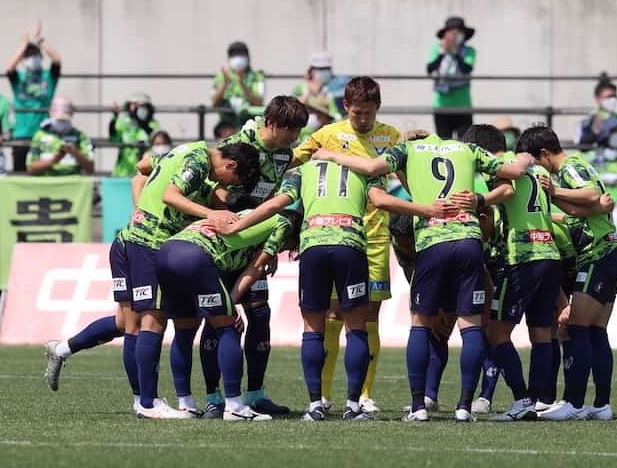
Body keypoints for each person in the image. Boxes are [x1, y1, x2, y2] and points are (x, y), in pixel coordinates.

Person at [312, 132, 534, 423]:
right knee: (472, 325)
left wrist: (330, 155)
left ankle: (419, 407)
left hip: (432, 239)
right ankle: (465, 407)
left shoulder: (409, 149)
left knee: (420, 323)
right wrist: (527, 157)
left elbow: (370, 168)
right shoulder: (468, 148)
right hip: (469, 239)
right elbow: (515, 174)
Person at [42, 140, 259, 415]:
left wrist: (142, 209)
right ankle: (148, 402)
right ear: (231, 165)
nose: (224, 188)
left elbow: (141, 170)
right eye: (231, 181)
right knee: (151, 321)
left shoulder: (185, 153)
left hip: (132, 238)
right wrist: (210, 213)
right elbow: (170, 195)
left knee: (126, 323)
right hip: (148, 242)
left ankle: (63, 350)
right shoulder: (199, 160)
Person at [462, 125, 599, 424]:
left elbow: (508, 189)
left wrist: (480, 200)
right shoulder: (538, 171)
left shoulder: (502, 168)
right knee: (541, 335)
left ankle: (522, 400)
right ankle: (536, 401)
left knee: (496, 333)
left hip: (522, 257)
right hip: (550, 255)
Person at [287, 76, 401, 416]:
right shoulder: (327, 135)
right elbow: (293, 160)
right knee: (332, 314)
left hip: (376, 236)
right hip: (337, 231)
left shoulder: (391, 136)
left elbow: (407, 174)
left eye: (368, 113)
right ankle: (322, 393)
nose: (363, 119)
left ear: (377, 109)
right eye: (356, 113)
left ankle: (363, 394)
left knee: (367, 318)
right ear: (345, 108)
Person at [518, 126, 617, 422]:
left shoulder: (570, 167)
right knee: (594, 331)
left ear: (543, 154)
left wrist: (553, 191)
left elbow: (591, 194)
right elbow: (580, 210)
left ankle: (574, 403)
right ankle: (601, 405)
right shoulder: (574, 168)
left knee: (576, 328)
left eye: (536, 163)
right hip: (609, 254)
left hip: (598, 255)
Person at [215, 95, 309, 416]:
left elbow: (276, 201)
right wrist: (221, 215)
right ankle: (215, 397)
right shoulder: (237, 144)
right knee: (219, 316)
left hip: (255, 243)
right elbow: (213, 183)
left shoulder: (285, 155)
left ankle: (255, 393)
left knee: (259, 314)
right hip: (224, 242)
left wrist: (268, 246)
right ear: (271, 123)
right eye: (290, 131)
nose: (294, 138)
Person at [157, 208, 296, 422]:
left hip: (167, 252)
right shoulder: (282, 223)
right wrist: (229, 304)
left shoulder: (247, 212)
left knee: (184, 330)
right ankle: (234, 406)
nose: (285, 249)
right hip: (198, 256)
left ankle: (186, 405)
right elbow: (257, 266)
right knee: (227, 326)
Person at [5, 24, 61, 173]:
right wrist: (23, 44)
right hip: (21, 134)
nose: (32, 58)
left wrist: (39, 41)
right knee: (20, 174)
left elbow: (57, 60)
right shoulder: (20, 77)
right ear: (23, 59)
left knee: (41, 173)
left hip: (43, 134)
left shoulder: (47, 77)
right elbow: (9, 68)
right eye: (28, 55)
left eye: (35, 55)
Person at [427, 16, 477, 139]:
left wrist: (456, 53)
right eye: (451, 32)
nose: (454, 36)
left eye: (458, 32)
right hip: (441, 105)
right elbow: (430, 68)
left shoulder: (469, 51)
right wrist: (443, 53)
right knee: (444, 141)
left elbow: (467, 69)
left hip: (463, 105)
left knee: (465, 141)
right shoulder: (436, 49)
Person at [26, 97, 95, 176]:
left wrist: (75, 152)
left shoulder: (80, 136)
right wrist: (54, 160)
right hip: (47, 183)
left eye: (64, 120)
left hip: (72, 183)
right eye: (59, 120)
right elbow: (31, 169)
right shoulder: (40, 135)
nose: (61, 124)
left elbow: (90, 169)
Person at [212, 41, 266, 129]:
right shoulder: (222, 75)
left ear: (248, 57)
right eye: (233, 55)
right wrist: (225, 83)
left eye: (240, 54)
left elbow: (258, 102)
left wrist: (242, 83)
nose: (237, 58)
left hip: (250, 125)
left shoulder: (257, 76)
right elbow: (214, 102)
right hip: (227, 126)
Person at [109, 92, 158, 178]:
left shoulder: (153, 125)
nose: (139, 108)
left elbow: (157, 141)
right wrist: (114, 117)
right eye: (134, 105)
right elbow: (113, 138)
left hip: (145, 174)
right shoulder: (124, 123)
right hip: (123, 174)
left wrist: (143, 124)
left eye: (142, 105)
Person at [293, 51, 340, 137]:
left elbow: (336, 114)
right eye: (320, 69)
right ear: (311, 70)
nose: (323, 72)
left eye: (326, 69)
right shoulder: (301, 87)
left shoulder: (334, 88)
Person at [577, 75, 617, 149]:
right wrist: (595, 130)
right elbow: (580, 145)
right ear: (598, 99)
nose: (613, 100)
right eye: (609, 97)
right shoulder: (587, 120)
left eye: (614, 96)